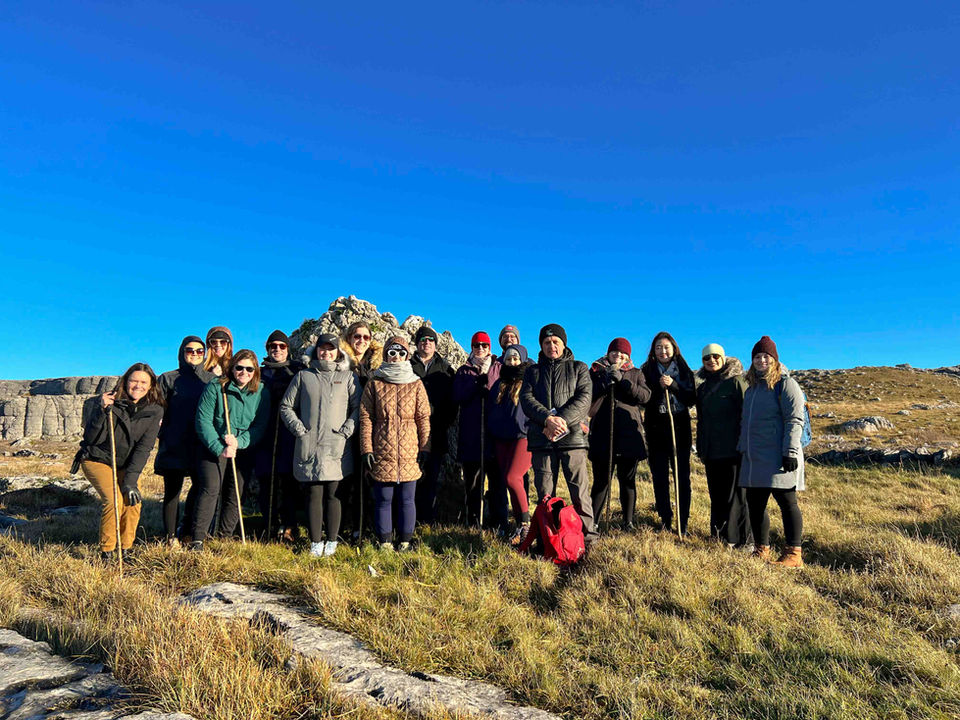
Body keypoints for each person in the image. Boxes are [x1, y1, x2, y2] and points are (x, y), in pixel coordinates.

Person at [280, 333, 361, 557]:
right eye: (322, 348)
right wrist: (300, 430)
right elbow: (286, 407)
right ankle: (316, 542)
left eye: (331, 349)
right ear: (316, 351)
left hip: (337, 445)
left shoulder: (348, 378)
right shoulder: (303, 376)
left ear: (338, 352)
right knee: (314, 494)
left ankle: (332, 541)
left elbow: (358, 409)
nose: (326, 352)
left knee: (335, 495)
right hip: (310, 445)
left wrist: (346, 431)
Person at [520, 324, 597, 546]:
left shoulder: (578, 368)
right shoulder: (532, 372)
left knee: (579, 492)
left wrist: (559, 421)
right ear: (541, 346)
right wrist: (547, 420)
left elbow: (584, 399)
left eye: (555, 342)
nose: (551, 346)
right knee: (545, 493)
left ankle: (588, 540)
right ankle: (548, 542)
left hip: (572, 439)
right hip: (542, 440)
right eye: (546, 342)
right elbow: (527, 400)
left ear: (564, 344)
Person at [75, 363, 164, 558]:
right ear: (125, 382)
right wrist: (101, 410)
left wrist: (131, 481)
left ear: (151, 386)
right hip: (97, 458)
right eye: (133, 381)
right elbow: (91, 439)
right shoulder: (109, 402)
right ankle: (106, 551)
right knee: (114, 500)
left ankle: (125, 549)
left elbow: (143, 448)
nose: (138, 386)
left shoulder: (155, 410)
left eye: (143, 382)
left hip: (126, 463)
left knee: (133, 500)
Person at [192, 350, 270, 550]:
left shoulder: (261, 391)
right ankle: (198, 538)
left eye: (249, 369)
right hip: (213, 447)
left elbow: (260, 426)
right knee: (210, 489)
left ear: (255, 371)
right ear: (232, 367)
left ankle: (224, 536)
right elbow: (203, 421)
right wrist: (220, 447)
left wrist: (239, 442)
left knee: (236, 493)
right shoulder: (216, 387)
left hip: (242, 448)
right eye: (239, 367)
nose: (244, 372)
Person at [738, 336, 806, 568]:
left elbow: (795, 419)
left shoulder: (786, 384)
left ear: (775, 360)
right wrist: (742, 449)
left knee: (787, 501)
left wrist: (789, 451)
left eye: (766, 356)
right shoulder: (752, 389)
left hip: (779, 454)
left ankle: (794, 553)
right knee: (755, 504)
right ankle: (761, 548)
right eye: (757, 357)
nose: (761, 360)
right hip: (754, 456)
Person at [359, 336, 431, 551]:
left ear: (407, 355)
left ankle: (406, 540)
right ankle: (385, 542)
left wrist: (425, 447)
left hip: (410, 450)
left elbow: (423, 417)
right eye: (392, 352)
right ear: (386, 355)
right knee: (384, 499)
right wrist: (366, 448)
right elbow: (365, 417)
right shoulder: (375, 383)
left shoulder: (416, 383)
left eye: (401, 352)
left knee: (408, 499)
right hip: (382, 448)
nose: (397, 356)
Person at [154, 336, 214, 545]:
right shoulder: (167, 378)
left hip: (201, 443)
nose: (195, 354)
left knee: (200, 488)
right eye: (190, 350)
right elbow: (155, 408)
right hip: (174, 442)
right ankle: (170, 537)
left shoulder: (210, 380)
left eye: (199, 351)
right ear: (182, 352)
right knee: (172, 491)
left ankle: (188, 530)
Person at [588, 338, 651, 531]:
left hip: (628, 435)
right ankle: (593, 522)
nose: (619, 356)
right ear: (608, 353)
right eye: (615, 352)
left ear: (628, 356)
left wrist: (623, 381)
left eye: (623, 354)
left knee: (627, 480)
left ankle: (628, 522)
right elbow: (588, 395)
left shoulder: (636, 373)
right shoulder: (596, 371)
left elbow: (645, 396)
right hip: (602, 433)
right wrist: (606, 380)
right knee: (601, 480)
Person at [695, 343, 752, 548]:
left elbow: (748, 416)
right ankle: (718, 536)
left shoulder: (736, 382)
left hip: (734, 450)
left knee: (735, 497)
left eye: (716, 356)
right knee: (716, 496)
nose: (712, 360)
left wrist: (745, 445)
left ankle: (740, 540)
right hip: (711, 451)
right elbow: (701, 420)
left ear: (723, 358)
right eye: (707, 358)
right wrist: (701, 446)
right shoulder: (702, 388)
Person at [640, 332, 697, 536]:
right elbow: (643, 397)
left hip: (679, 425)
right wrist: (658, 385)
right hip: (657, 426)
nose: (663, 351)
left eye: (666, 347)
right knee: (660, 476)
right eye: (658, 347)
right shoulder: (646, 370)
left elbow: (691, 398)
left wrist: (673, 385)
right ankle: (665, 519)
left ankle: (683, 522)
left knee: (682, 476)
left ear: (673, 348)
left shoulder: (684, 369)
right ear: (653, 351)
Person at [256, 330, 305, 543]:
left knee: (290, 483)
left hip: (289, 434)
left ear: (288, 349)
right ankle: (269, 524)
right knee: (266, 482)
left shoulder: (297, 371)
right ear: (267, 349)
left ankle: (290, 525)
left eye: (282, 346)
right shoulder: (258, 373)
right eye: (273, 346)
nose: (277, 349)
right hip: (263, 434)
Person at [453, 331, 505, 528]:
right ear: (472, 348)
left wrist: (489, 385)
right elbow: (457, 396)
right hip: (471, 435)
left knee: (496, 483)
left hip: (494, 435)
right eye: (477, 345)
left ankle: (498, 523)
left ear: (490, 348)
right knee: (473, 484)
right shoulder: (463, 371)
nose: (481, 348)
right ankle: (474, 523)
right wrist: (476, 384)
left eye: (484, 345)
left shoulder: (499, 368)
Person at [487, 344, 533, 544]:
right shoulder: (499, 384)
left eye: (515, 358)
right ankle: (518, 527)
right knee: (509, 482)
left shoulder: (530, 381)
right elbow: (491, 408)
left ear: (522, 360)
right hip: (501, 438)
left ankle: (525, 524)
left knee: (512, 477)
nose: (512, 362)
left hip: (523, 437)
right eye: (508, 359)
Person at [410, 325, 456, 524]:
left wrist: (445, 421)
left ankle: (426, 521)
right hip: (409, 434)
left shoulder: (446, 368)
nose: (426, 343)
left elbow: (453, 401)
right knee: (411, 479)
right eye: (422, 340)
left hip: (436, 433)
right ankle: (409, 520)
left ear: (435, 344)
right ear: (417, 343)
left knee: (432, 478)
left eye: (430, 340)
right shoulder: (406, 365)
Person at [341, 321, 383, 386]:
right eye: (357, 336)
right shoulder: (341, 362)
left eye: (366, 337)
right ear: (349, 338)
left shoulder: (379, 364)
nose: (361, 340)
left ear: (370, 340)